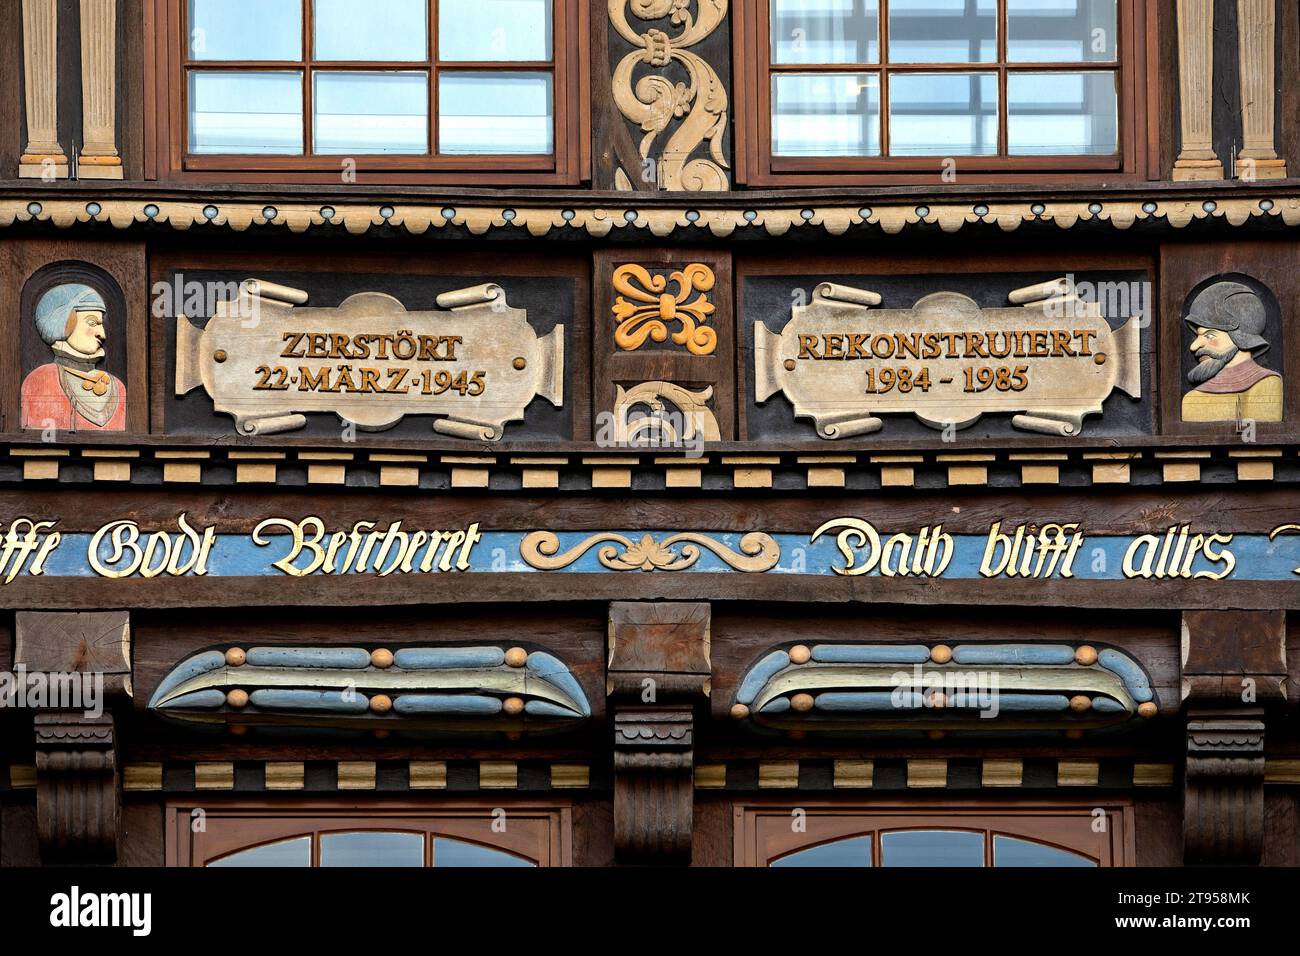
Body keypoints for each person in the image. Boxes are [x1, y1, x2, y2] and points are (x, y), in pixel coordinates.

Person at [20, 283, 126, 430]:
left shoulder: (117, 387)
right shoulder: (40, 380)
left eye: (101, 325)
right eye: (92, 322)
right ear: (64, 322)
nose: (102, 334)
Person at [1181, 280, 1282, 423]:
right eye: (1198, 336)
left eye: (1209, 335)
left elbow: (1254, 438)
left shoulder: (1266, 385)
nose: (1194, 346)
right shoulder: (1191, 399)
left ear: (1240, 338)